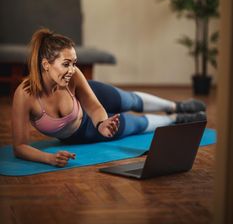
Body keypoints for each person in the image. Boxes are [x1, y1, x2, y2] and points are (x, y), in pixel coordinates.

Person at [11, 28, 207, 168]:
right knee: (136, 124)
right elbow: (19, 147)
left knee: (130, 100)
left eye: (74, 63)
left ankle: (177, 105)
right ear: (46, 64)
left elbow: (94, 107)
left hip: (94, 103)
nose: (72, 70)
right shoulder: (25, 95)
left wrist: (103, 123)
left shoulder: (74, 75)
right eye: (66, 64)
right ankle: (177, 119)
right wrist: (49, 158)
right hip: (83, 132)